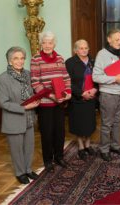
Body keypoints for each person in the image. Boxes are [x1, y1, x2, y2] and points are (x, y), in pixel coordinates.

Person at [0, 47, 40, 184]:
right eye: (16, 58)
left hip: (29, 117)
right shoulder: (2, 79)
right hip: (14, 119)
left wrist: (36, 99)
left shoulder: (28, 74)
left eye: (22, 58)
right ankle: (20, 172)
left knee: (29, 146)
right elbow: (3, 103)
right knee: (16, 149)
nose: (20, 61)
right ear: (10, 61)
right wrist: (25, 107)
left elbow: (31, 94)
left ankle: (28, 169)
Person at [30, 31, 72, 171]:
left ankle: (59, 157)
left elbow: (65, 77)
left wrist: (68, 92)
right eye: (44, 42)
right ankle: (48, 161)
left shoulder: (59, 58)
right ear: (41, 44)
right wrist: (51, 95)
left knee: (60, 132)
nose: (47, 45)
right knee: (47, 133)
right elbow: (35, 83)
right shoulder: (36, 59)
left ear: (54, 44)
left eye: (50, 42)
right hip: (45, 103)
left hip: (60, 102)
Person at [93, 29, 120, 161]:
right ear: (109, 39)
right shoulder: (102, 54)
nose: (119, 42)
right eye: (116, 39)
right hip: (108, 94)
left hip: (119, 93)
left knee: (118, 121)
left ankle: (115, 145)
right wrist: (114, 79)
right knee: (107, 123)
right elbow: (96, 76)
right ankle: (104, 149)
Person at [65, 39, 97, 160]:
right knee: (79, 124)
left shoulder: (93, 62)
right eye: (81, 48)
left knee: (89, 124)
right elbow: (68, 82)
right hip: (77, 98)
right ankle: (81, 147)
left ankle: (88, 146)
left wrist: (95, 89)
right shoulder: (70, 62)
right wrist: (82, 93)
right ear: (75, 50)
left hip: (91, 97)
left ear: (89, 49)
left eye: (86, 48)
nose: (84, 50)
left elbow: (98, 78)